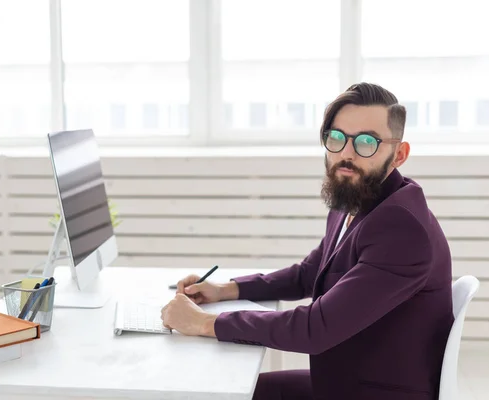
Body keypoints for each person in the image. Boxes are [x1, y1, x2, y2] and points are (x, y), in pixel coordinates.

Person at [161, 82, 454, 400]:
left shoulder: (401, 228)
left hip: (373, 391)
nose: (346, 154)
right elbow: (310, 271)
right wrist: (226, 289)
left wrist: (205, 324)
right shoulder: (358, 194)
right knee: (221, 388)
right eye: (337, 138)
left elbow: (315, 328)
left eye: (366, 142)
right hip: (346, 379)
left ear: (399, 154)